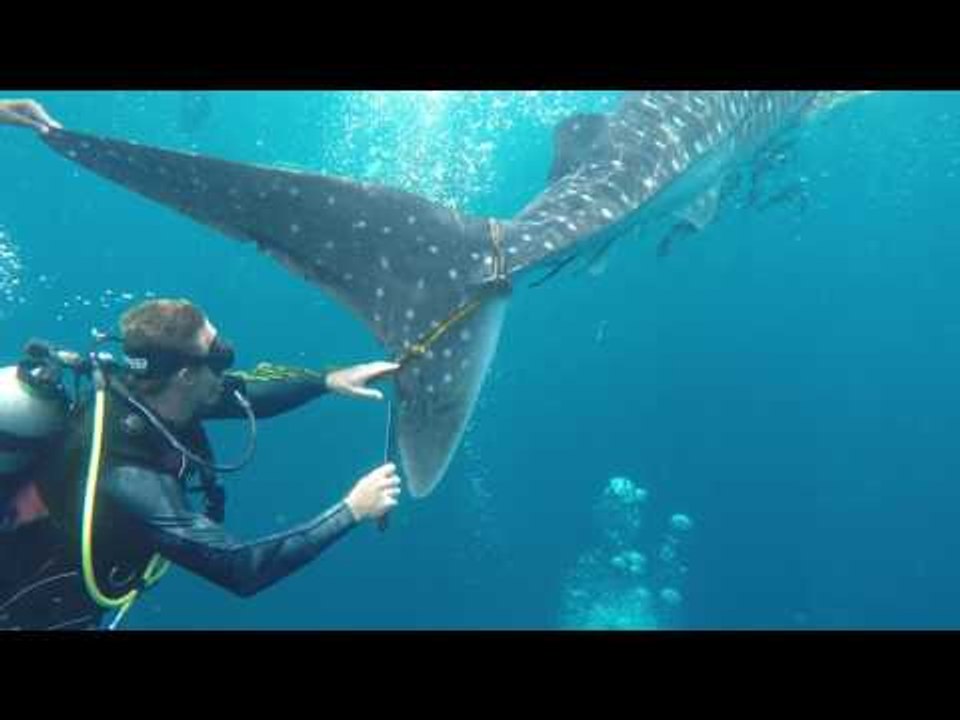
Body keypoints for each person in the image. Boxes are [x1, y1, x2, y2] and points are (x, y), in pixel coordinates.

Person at [0, 296, 402, 631]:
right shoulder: (128, 478)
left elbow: (250, 395)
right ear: (187, 376)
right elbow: (242, 569)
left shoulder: (144, 390)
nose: (227, 360)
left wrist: (329, 380)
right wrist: (353, 509)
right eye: (218, 354)